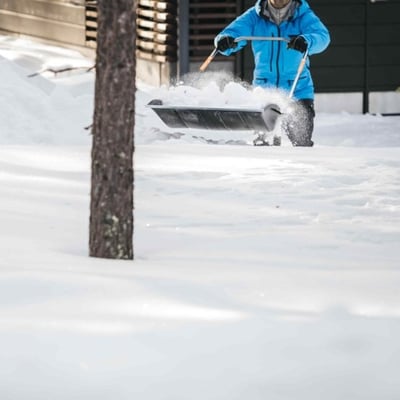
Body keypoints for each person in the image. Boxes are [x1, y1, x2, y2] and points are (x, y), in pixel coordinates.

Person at [215, 0, 330, 146]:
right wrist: (224, 41)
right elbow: (231, 34)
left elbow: (323, 37)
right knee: (262, 144)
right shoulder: (254, 16)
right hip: (264, 91)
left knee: (301, 142)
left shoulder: (303, 15)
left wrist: (306, 41)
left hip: (298, 89)